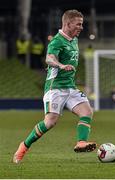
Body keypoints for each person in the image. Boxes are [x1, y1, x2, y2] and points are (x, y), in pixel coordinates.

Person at [13, 9, 97, 164]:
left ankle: (81, 142)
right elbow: (49, 59)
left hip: (70, 87)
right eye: (78, 24)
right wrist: (61, 65)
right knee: (50, 122)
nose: (81, 27)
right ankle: (24, 146)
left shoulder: (73, 39)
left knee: (87, 111)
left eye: (82, 24)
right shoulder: (57, 41)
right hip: (55, 88)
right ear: (67, 24)